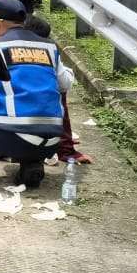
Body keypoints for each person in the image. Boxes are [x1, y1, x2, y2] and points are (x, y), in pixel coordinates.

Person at [0, 0, 74, 188]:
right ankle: (32, 162)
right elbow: (65, 83)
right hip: (52, 139)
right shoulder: (49, 47)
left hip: (7, 137)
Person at [23, 15, 91, 164]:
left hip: (0, 129)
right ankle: (65, 148)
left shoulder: (0, 45)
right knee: (60, 90)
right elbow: (65, 84)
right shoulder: (49, 51)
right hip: (40, 125)